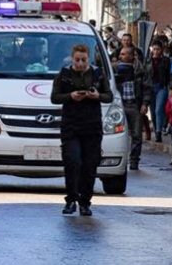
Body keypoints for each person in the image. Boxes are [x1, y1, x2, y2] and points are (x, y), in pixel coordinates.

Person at [50, 44, 113, 217]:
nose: (80, 64)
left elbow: (109, 96)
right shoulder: (64, 75)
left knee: (90, 165)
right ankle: (71, 199)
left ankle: (85, 202)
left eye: (84, 60)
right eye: (77, 60)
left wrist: (97, 96)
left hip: (92, 126)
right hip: (71, 125)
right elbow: (54, 97)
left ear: (89, 59)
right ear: (72, 59)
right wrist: (70, 96)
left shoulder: (98, 74)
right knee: (72, 161)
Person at [113, 46, 150, 170]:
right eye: (120, 54)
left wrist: (145, 104)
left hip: (135, 105)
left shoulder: (139, 70)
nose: (120, 56)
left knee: (136, 135)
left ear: (131, 56)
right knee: (117, 134)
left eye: (124, 54)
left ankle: (134, 161)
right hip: (120, 106)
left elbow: (146, 88)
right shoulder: (115, 69)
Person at [144, 40, 171, 142]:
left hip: (162, 87)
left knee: (159, 109)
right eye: (154, 49)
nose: (156, 51)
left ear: (161, 50)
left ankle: (159, 131)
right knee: (153, 111)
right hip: (150, 87)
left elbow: (169, 75)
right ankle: (156, 130)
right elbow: (145, 75)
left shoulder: (166, 61)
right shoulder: (147, 61)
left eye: (158, 49)